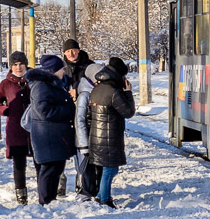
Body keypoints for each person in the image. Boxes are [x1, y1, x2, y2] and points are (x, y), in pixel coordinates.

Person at [25, 54, 76, 205]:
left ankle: (49, 200)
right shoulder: (41, 86)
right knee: (49, 169)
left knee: (56, 167)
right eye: (61, 69)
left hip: (53, 134)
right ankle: (45, 202)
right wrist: (68, 108)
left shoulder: (52, 84)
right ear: (52, 70)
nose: (64, 71)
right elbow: (44, 111)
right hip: (47, 136)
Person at [89, 56, 135, 209]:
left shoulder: (96, 88)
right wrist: (128, 93)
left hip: (98, 137)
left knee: (107, 169)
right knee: (110, 169)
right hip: (109, 137)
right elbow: (128, 112)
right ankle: (104, 199)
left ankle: (102, 196)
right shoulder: (113, 91)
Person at [0, 51, 32, 204]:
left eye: (21, 64)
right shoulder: (6, 84)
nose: (19, 67)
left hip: (35, 129)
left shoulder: (33, 79)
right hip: (16, 128)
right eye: (15, 64)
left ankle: (44, 191)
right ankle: (21, 193)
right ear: (11, 66)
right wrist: (4, 110)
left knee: (40, 161)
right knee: (19, 163)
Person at [73, 62, 105, 201]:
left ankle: (95, 191)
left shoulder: (96, 92)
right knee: (86, 168)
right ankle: (85, 193)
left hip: (95, 137)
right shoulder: (84, 96)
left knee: (97, 167)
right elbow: (79, 121)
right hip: (85, 141)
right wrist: (83, 144)